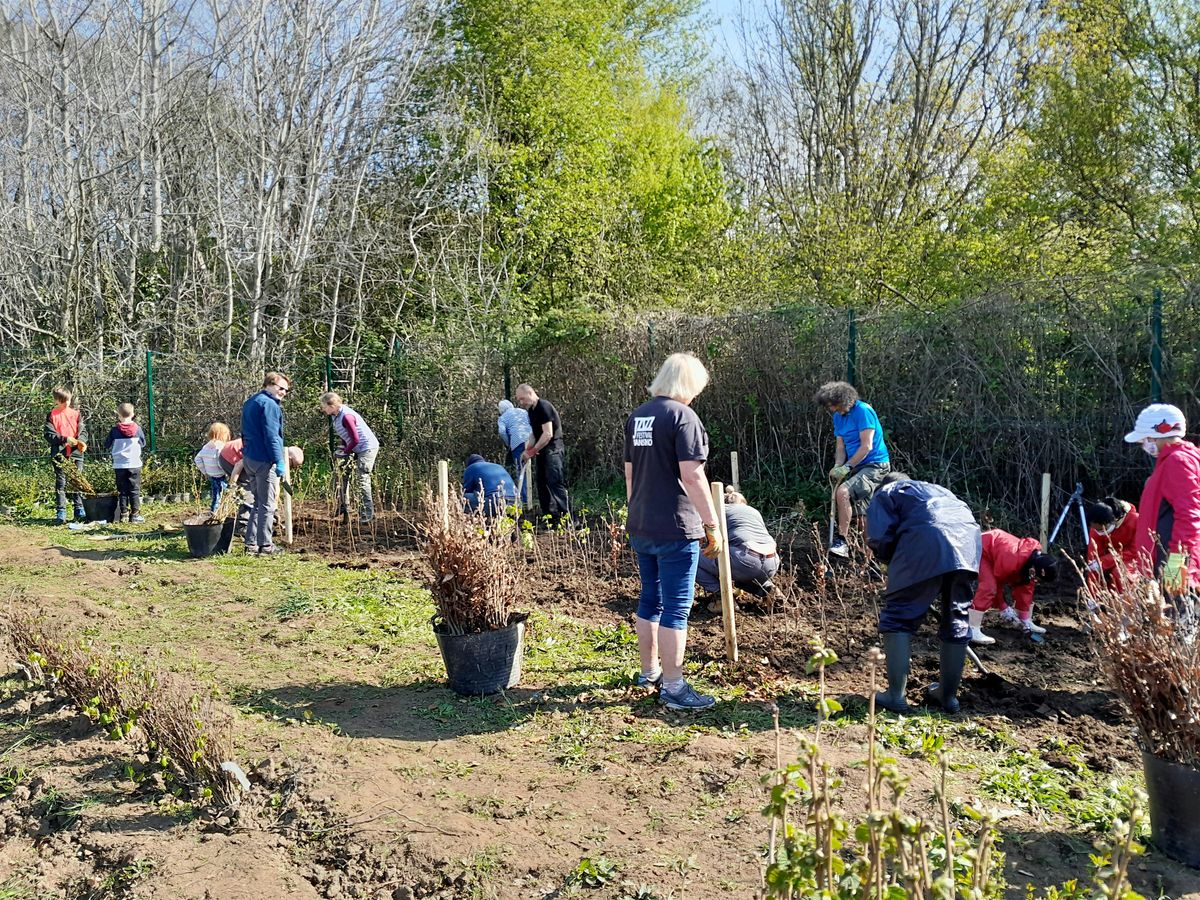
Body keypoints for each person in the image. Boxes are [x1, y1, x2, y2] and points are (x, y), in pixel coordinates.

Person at [625, 353, 724, 711]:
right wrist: (712, 525)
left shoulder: (639, 416)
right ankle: (675, 687)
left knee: (651, 598)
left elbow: (630, 475)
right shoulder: (684, 417)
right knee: (677, 609)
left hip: (641, 522)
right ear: (689, 383)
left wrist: (636, 513)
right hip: (676, 527)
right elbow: (693, 476)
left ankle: (649, 672)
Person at [865, 472, 981, 713]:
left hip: (927, 539)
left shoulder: (886, 492)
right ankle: (948, 697)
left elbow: (880, 537)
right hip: (968, 544)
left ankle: (896, 696)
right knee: (957, 618)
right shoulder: (940, 490)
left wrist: (892, 564)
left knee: (898, 615)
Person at [1123, 403, 1200, 595]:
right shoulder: (1178, 460)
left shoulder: (1177, 462)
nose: (1143, 446)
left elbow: (1189, 514)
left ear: (1154, 436)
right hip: (1169, 558)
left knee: (1176, 620)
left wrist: (1177, 561)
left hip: (1172, 562)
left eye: (1143, 441)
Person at [813, 381, 891, 558]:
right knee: (863, 516)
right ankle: (870, 559)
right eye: (829, 407)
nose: (832, 409)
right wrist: (838, 466)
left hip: (874, 465)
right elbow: (841, 447)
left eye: (833, 405)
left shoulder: (863, 411)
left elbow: (866, 447)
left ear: (844, 400)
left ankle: (842, 541)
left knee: (842, 493)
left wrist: (847, 467)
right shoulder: (838, 417)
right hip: (856, 465)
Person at [969, 529, 1058, 644]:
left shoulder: (1031, 565)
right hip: (983, 549)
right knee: (989, 587)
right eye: (1035, 576)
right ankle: (972, 627)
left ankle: (1025, 619)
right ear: (1034, 568)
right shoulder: (1011, 559)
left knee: (1026, 584)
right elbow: (997, 584)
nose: (1035, 580)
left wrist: (1023, 619)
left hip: (997, 552)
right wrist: (1003, 608)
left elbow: (1026, 589)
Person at [695, 488, 779, 600]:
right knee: (742, 574)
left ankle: (721, 596)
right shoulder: (754, 511)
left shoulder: (721, 509)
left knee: (691, 558)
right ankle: (768, 589)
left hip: (744, 560)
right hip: (772, 563)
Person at [240, 372, 290, 555]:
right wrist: (279, 460)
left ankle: (251, 545)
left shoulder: (251, 401)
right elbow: (272, 436)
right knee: (268, 505)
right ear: (269, 384)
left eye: (286, 390)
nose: (283, 392)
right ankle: (266, 546)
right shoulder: (269, 405)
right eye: (280, 388)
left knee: (257, 503)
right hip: (263, 460)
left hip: (250, 458)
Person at [219, 437, 303, 537]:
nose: (291, 469)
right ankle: (242, 525)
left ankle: (257, 521)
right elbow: (239, 465)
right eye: (293, 466)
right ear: (288, 458)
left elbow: (274, 486)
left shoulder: (277, 456)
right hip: (229, 457)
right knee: (249, 488)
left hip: (237, 457)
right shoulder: (268, 452)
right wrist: (232, 486)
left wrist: (274, 509)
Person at [320, 392, 380, 524]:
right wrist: (343, 447)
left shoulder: (347, 416)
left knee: (362, 479)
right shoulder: (336, 416)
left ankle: (367, 516)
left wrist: (345, 452)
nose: (323, 409)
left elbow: (356, 439)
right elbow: (345, 435)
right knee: (341, 475)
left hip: (366, 448)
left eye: (324, 406)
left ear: (332, 405)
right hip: (354, 447)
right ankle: (343, 507)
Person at [515, 383, 570, 524]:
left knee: (555, 482)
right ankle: (551, 519)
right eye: (519, 400)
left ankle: (567, 519)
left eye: (522, 399)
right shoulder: (531, 411)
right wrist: (527, 450)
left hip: (553, 449)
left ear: (530, 393)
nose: (521, 403)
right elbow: (535, 433)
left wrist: (533, 451)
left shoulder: (544, 407)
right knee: (541, 483)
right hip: (542, 451)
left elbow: (547, 434)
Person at [44, 387, 89, 524]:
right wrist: (65, 439)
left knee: (77, 481)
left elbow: (83, 431)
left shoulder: (76, 414)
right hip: (59, 453)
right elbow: (49, 435)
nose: (66, 403)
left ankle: (79, 509)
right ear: (57, 400)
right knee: (61, 482)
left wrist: (82, 441)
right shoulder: (52, 415)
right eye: (63, 401)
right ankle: (61, 511)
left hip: (76, 453)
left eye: (68, 400)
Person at [1084, 498, 1139, 592]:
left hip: (1134, 559)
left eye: (1102, 530)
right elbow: (1093, 558)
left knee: (1119, 574)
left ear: (1114, 520)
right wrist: (1093, 597)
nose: (1099, 533)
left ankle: (1125, 603)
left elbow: (1135, 551)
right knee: (1094, 569)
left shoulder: (1136, 521)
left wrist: (1104, 562)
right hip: (1113, 558)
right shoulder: (1096, 528)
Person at [104, 403, 147, 523]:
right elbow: (143, 443)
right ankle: (135, 515)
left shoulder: (114, 431)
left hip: (119, 465)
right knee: (134, 490)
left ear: (118, 415)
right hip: (134, 464)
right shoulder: (138, 429)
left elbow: (107, 445)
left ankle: (123, 513)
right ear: (133, 414)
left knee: (122, 490)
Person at [497, 399, 532, 502]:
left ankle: (525, 499)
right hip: (532, 440)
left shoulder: (502, 418)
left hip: (517, 443)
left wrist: (509, 443)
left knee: (521, 470)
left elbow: (502, 431)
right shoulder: (523, 411)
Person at [194, 422, 232, 513]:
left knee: (216, 493)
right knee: (223, 494)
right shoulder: (220, 446)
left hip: (211, 475)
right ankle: (216, 512)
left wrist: (205, 471)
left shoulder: (206, 446)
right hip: (220, 475)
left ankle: (217, 510)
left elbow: (197, 459)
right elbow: (221, 461)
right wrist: (226, 471)